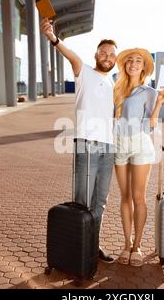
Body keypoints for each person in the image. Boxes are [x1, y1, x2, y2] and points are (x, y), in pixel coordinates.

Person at [40, 18, 117, 263]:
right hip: (88, 145)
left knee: (100, 202)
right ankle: (77, 249)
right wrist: (53, 38)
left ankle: (92, 247)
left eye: (111, 54)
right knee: (82, 201)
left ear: (115, 59)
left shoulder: (112, 82)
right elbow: (70, 54)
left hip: (108, 147)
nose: (107, 56)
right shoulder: (83, 71)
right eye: (103, 52)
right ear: (96, 54)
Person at [113, 48, 164, 266]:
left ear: (144, 67)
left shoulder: (149, 92)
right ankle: (126, 244)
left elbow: (151, 125)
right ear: (125, 66)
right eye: (130, 61)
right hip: (119, 144)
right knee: (125, 197)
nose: (134, 64)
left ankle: (137, 245)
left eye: (138, 61)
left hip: (140, 144)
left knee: (138, 197)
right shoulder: (117, 90)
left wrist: (160, 103)